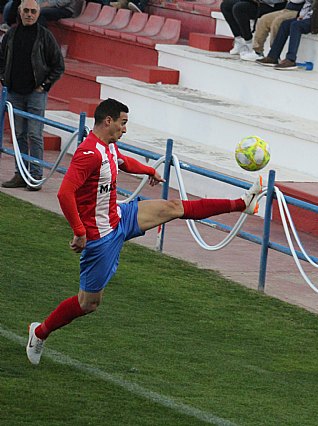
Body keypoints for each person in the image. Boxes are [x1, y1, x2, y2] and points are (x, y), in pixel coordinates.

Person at [25, 98, 264, 365]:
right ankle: (39, 332)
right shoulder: (88, 154)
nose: (125, 129)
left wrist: (149, 169)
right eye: (123, 123)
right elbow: (64, 192)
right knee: (88, 304)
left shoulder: (108, 147)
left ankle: (242, 204)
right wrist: (79, 232)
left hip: (120, 217)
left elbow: (123, 161)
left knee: (173, 207)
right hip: (100, 238)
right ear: (108, 121)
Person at [0, 0, 65, 190]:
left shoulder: (45, 36)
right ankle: (20, 174)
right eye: (26, 11)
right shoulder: (10, 34)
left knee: (34, 134)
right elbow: (1, 59)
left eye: (33, 11)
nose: (29, 14)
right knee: (19, 134)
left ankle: (35, 176)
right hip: (14, 93)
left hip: (36, 94)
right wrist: (4, 79)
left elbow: (58, 65)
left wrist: (44, 85)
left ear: (38, 13)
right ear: (20, 12)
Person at [240, 0, 305, 61]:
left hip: (299, 11)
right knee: (263, 20)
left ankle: (274, 53)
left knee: (277, 22)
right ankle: (257, 52)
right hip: (288, 9)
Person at [255, 0, 312, 69]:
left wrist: (303, 16)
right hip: (293, 10)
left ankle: (290, 59)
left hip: (312, 16)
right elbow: (308, 4)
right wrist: (302, 15)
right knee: (280, 23)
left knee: (288, 24)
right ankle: (270, 55)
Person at [222, 0, 286, 57]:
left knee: (239, 8)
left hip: (273, 5)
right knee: (225, 5)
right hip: (257, 3)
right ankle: (239, 41)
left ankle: (249, 45)